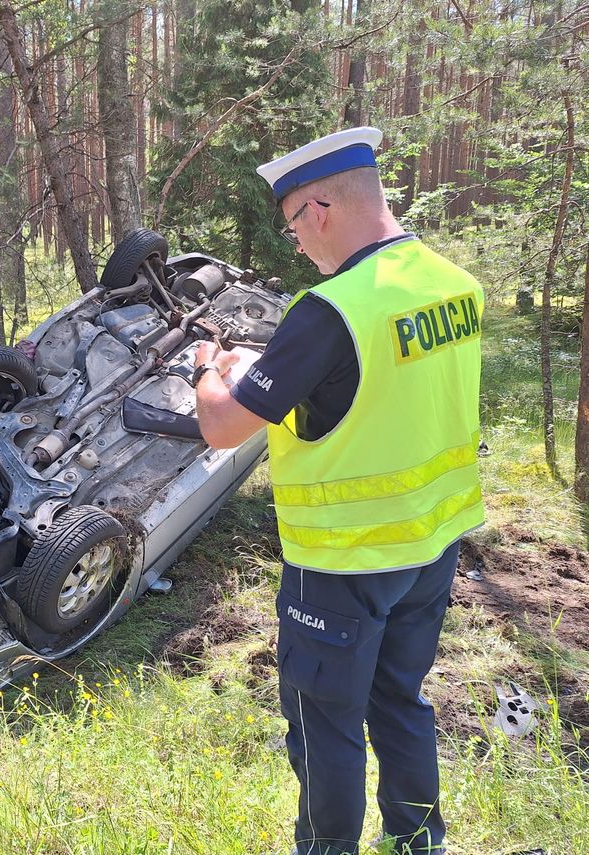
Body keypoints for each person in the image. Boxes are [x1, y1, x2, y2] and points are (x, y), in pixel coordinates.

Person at [191, 127, 485, 855]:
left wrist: (205, 369)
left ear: (318, 209)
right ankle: (419, 842)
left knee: (326, 724)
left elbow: (224, 427)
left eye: (292, 224)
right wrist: (279, 364)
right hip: (430, 548)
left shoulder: (329, 310)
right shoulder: (449, 282)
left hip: (342, 566)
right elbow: (379, 382)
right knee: (402, 703)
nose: (295, 242)